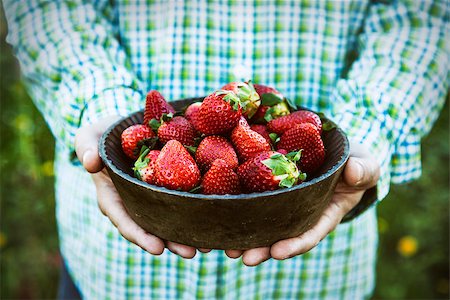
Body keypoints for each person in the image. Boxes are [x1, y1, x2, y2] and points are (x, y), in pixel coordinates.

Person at [4, 0, 448, 299]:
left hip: (316, 276)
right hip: (113, 271)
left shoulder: (259, 141)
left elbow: (421, 16)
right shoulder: (181, 135)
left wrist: (365, 131)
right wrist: (107, 112)